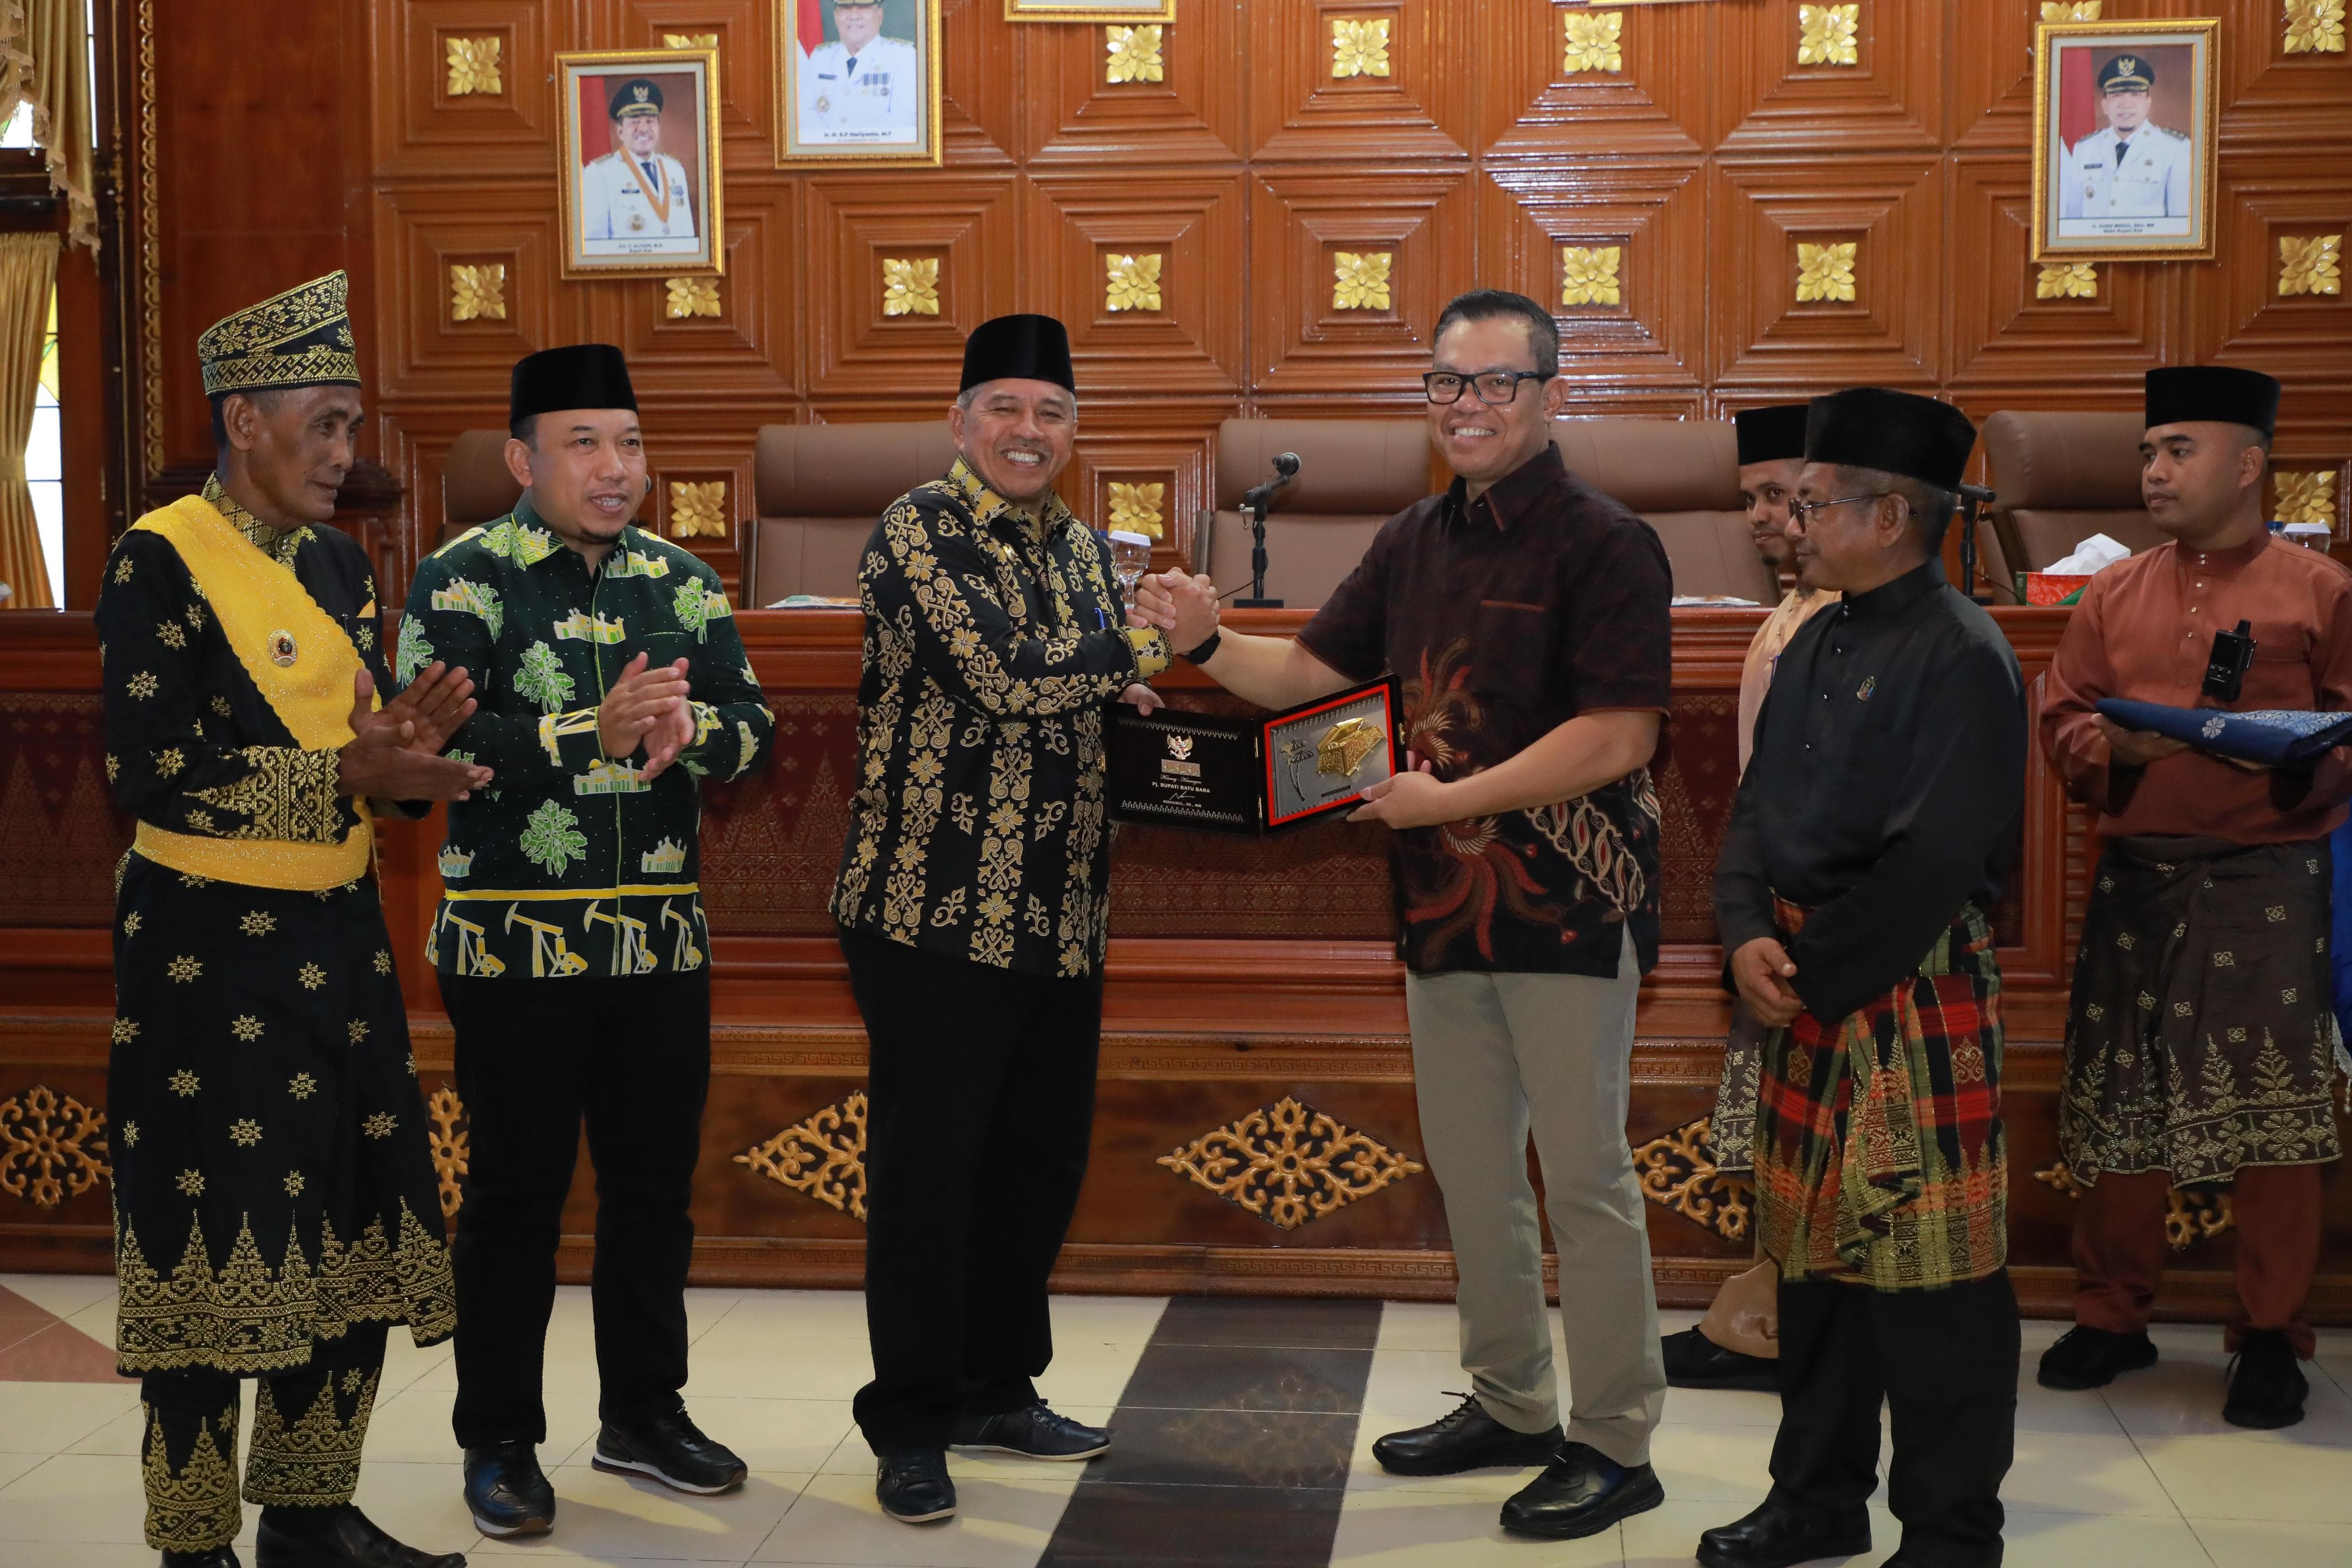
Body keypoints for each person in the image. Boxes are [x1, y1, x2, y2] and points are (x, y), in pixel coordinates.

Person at [1135, 288, 1674, 1541]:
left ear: (1547, 395)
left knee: (1584, 1181)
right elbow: (1312, 680)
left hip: (1570, 902)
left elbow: (1619, 733)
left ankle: (1614, 1440)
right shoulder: (1415, 537)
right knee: (1476, 1172)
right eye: (1446, 383)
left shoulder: (1606, 541)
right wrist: (1212, 642)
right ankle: (1511, 1402)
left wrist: (1449, 800)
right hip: (1439, 907)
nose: (1467, 405)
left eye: (1493, 383)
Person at [99, 270, 488, 1568]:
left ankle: (314, 1517)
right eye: (320, 424)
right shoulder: (159, 558)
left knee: (351, 1228)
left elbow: (361, 746)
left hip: (336, 945)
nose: (343, 455)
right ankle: (196, 1541)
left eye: (352, 428)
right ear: (243, 418)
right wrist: (348, 774)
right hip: (205, 958)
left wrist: (414, 769)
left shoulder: (330, 562)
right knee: (223, 1246)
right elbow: (146, 772)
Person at [403, 344, 773, 1537]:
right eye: (584, 445)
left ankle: (643, 1413)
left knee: (654, 1191)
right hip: (514, 952)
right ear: (523, 460)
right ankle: (500, 1439)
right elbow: (426, 754)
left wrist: (691, 735)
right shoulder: (461, 582)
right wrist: (586, 732)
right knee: (515, 1193)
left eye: (628, 444)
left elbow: (755, 726)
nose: (616, 470)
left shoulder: (685, 582)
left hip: (661, 942)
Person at [830, 314, 1169, 1525]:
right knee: (931, 1173)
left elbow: (1077, 673)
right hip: (931, 908)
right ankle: (913, 1418)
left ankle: (994, 1386)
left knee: (1033, 1164)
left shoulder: (1079, 545)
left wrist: (1125, 676)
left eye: (1053, 413)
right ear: (963, 422)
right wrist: (1145, 643)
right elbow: (1009, 675)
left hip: (1057, 912)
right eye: (1008, 410)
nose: (1031, 433)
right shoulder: (920, 528)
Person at [1702, 387, 2024, 1568]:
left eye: (1813, 502)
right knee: (1812, 1264)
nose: (1792, 519)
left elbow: (1939, 858)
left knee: (1934, 1282)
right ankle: (1815, 1498)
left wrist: (1809, 970)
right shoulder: (1817, 631)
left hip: (1903, 984)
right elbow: (1751, 811)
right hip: (1801, 978)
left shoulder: (1963, 654)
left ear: (1890, 515)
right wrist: (1744, 934)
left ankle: (1948, 1532)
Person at [2037, 365, 2351, 1429]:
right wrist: (2104, 742)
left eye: (2179, 449)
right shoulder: (2116, 590)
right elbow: (2064, 713)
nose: (2155, 470)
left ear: (2250, 463)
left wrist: (2300, 757)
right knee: (2121, 1094)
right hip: (2138, 875)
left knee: (2271, 1108)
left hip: (2268, 881)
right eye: (2147, 451)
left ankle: (2270, 1331)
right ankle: (2112, 1311)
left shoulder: (2320, 590)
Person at [1661, 403, 1841, 1396]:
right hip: (1766, 916)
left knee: (1825, 1138)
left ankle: (1794, 1325)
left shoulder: (1853, 626)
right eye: (1755, 500)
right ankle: (1766, 1313)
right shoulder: (1789, 608)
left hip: (1825, 921)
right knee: (1779, 1132)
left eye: (1784, 497)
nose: (1766, 519)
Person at [2060, 53, 2191, 222]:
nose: (2126, 104)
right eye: (2117, 95)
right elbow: (2074, 220)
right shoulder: (2085, 148)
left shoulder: (2175, 149)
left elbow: (2181, 223)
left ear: (2148, 103)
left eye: (2135, 95)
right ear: (2105, 105)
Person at [580, 78, 696, 242]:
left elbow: (687, 233)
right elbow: (594, 243)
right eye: (634, 121)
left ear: (658, 127)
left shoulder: (675, 170)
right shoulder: (600, 173)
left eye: (650, 121)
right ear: (620, 131)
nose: (643, 129)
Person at [799, 0, 920, 144]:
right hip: (826, 157)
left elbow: (904, 118)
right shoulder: (820, 57)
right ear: (836, 16)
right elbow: (805, 114)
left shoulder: (903, 56)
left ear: (880, 15)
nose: (854, 16)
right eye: (845, 8)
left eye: (863, 7)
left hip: (880, 157)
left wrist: (854, 148)